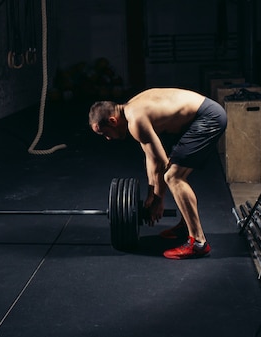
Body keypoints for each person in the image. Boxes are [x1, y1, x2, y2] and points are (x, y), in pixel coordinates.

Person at [88, 88, 227, 259]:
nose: (107, 138)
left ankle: (198, 242)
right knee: (173, 175)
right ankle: (186, 226)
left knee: (173, 177)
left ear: (112, 120)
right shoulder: (131, 110)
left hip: (209, 117)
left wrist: (159, 200)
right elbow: (151, 158)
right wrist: (151, 196)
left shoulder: (136, 121)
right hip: (200, 117)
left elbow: (162, 163)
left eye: (105, 133)